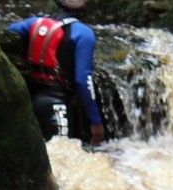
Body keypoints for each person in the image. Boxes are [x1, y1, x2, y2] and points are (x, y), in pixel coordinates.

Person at [7, 0, 105, 145]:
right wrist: (96, 122)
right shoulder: (83, 33)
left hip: (31, 100)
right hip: (57, 104)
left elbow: (10, 30)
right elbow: (83, 80)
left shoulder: (34, 23)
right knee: (62, 158)